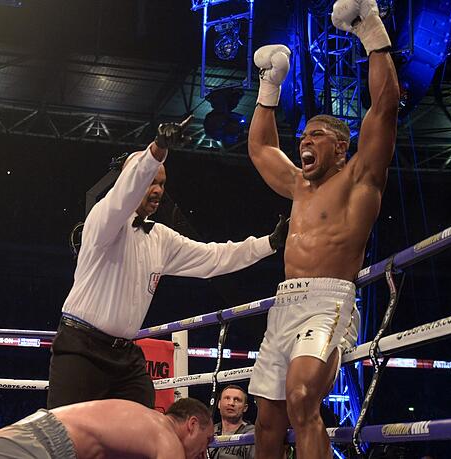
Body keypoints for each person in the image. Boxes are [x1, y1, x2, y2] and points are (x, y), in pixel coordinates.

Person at [246, 0, 400, 457]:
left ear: (340, 147)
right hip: (284, 301)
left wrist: (370, 30)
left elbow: (386, 106)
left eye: (314, 136)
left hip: (328, 300)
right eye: (302, 137)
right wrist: (269, 85)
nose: (303, 141)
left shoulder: (359, 179)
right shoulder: (298, 186)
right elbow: (259, 149)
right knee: (267, 420)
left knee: (301, 401)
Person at [47, 118, 288, 409]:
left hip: (125, 356)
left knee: (141, 433)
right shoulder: (104, 221)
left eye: (162, 183)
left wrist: (268, 244)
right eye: (151, 182)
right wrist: (158, 150)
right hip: (81, 347)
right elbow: (125, 191)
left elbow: (213, 257)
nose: (158, 190)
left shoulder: (160, 238)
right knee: (66, 434)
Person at [0, 397, 215, 459]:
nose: (203, 454)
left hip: (9, 441)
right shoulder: (165, 436)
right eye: (206, 442)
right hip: (30, 450)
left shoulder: (140, 423)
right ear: (192, 425)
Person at [208, 385, 255, 459]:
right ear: (219, 404)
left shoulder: (253, 433)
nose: (231, 403)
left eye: (237, 400)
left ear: (245, 408)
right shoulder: (209, 432)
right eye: (227, 398)